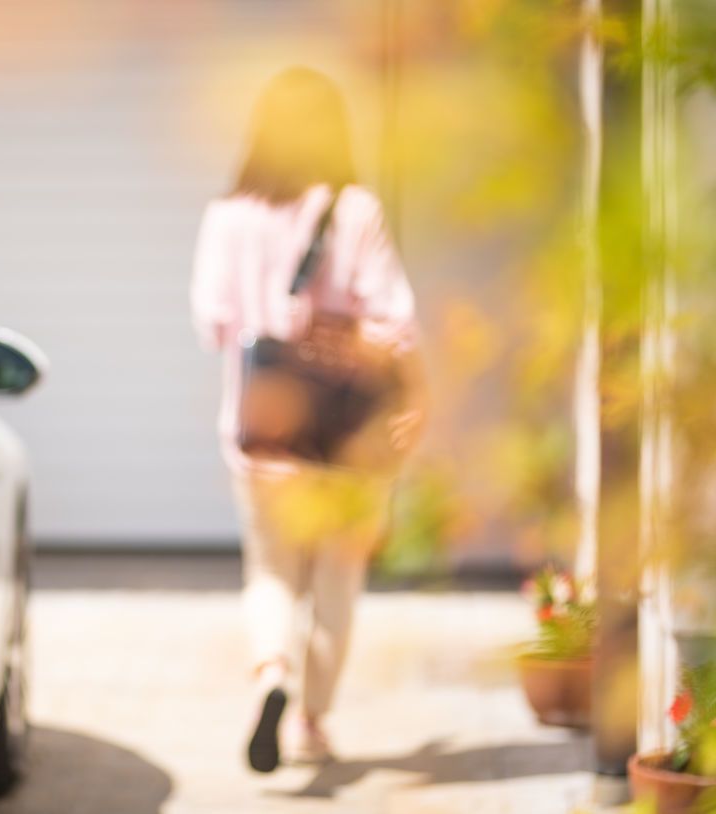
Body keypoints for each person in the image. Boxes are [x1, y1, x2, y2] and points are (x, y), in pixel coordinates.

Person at [190, 67, 424, 773]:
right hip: (347, 436)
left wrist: (270, 319)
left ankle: (272, 677)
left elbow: (211, 322)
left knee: (269, 572)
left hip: (262, 430)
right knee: (335, 581)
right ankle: (314, 723)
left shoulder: (227, 216)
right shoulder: (356, 210)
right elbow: (398, 325)